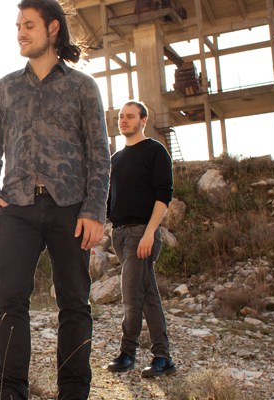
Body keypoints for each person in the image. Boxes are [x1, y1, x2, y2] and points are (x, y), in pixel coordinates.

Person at [0, 1, 110, 398]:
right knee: (10, 302)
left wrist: (94, 210)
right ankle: (11, 393)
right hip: (16, 208)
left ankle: (73, 394)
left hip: (70, 208)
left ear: (53, 28)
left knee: (74, 304)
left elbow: (99, 153)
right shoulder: (5, 88)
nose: (21, 32)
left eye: (29, 25)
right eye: (18, 25)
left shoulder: (82, 87)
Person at [104, 101, 176, 378]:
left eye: (130, 116)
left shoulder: (155, 151)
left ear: (143, 120)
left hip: (141, 233)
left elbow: (163, 196)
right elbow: (110, 198)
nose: (124, 120)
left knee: (131, 297)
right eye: (121, 117)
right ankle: (163, 357)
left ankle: (127, 353)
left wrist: (149, 233)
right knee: (148, 296)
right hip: (119, 234)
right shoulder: (116, 159)